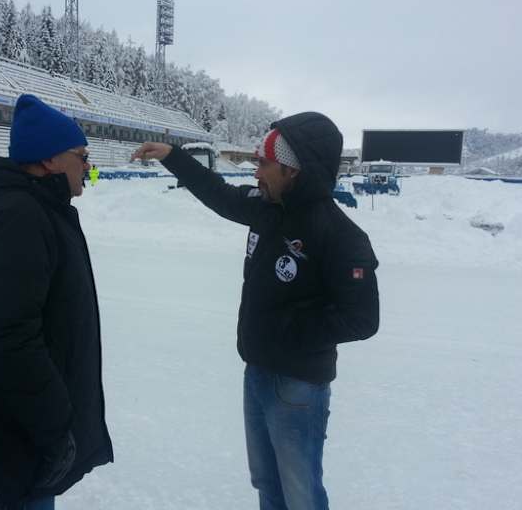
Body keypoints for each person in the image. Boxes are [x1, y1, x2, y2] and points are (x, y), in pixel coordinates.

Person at [132, 112, 379, 510]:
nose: (255, 172)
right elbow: (218, 194)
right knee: (267, 483)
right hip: (258, 373)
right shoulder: (266, 208)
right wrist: (173, 156)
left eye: (263, 163)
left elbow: (362, 318)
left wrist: (284, 330)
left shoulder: (339, 233)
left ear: (291, 170)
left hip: (298, 385)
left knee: (301, 494)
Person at [0, 94, 113, 509]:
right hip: (15, 435)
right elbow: (5, 337)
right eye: (81, 155)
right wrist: (57, 427)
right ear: (48, 161)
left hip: (23, 429)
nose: (88, 165)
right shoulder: (20, 215)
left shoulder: (37, 208)